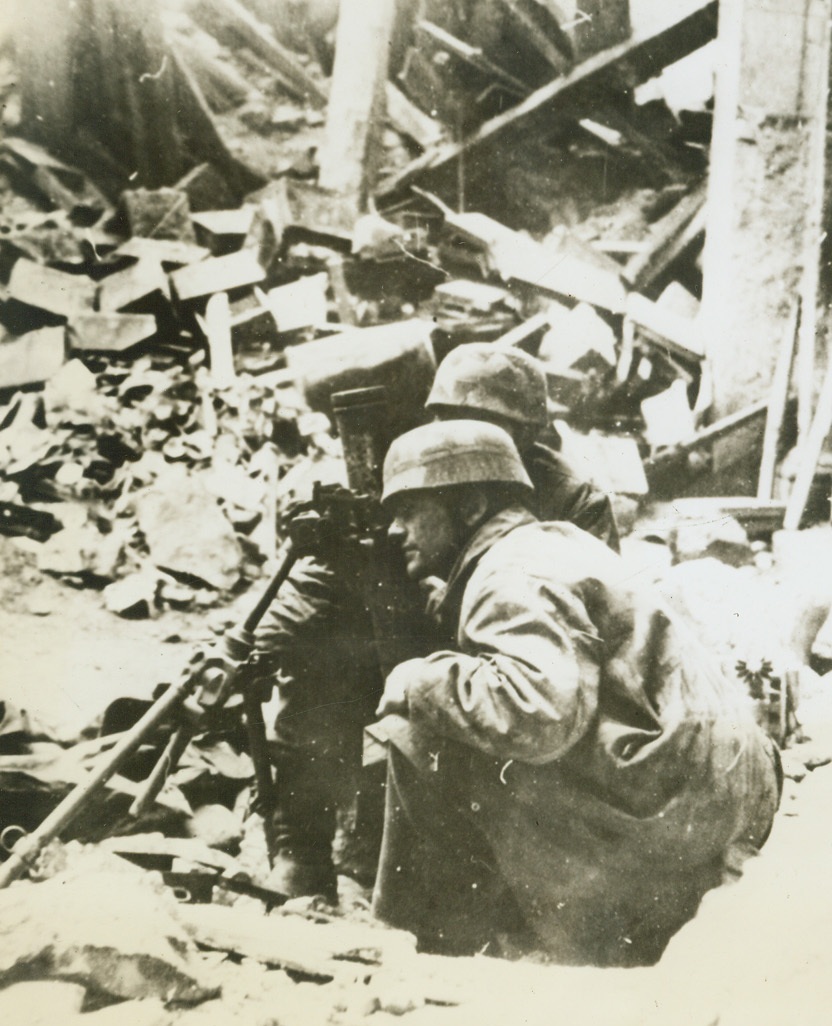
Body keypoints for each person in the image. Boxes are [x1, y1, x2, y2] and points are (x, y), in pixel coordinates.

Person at [371, 419, 782, 965]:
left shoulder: (508, 574)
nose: (395, 531)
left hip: (679, 822)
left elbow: (543, 714)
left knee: (416, 729)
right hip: (725, 797)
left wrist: (417, 679)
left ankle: (415, 941)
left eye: (409, 510)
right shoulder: (553, 544)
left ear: (469, 507)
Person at [251, 343, 619, 900]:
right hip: (403, 631)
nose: (465, 440)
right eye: (452, 420)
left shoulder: (573, 496)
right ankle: (303, 851)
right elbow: (324, 573)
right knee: (319, 663)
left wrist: (453, 596)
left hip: (509, 658)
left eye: (491, 425)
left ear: (530, 434)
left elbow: (588, 612)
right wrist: (258, 644)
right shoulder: (404, 461)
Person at [425, 343, 620, 551]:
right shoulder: (418, 476)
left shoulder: (574, 499)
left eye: (481, 423)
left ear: (525, 432)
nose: (461, 435)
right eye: (448, 419)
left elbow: (600, 577)